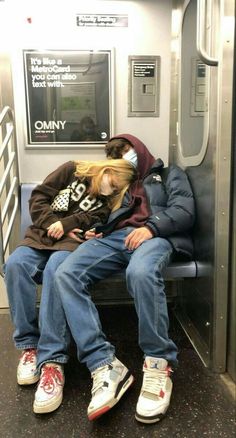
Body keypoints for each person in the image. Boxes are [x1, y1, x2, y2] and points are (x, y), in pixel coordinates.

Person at [53, 134, 195, 424]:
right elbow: (107, 215)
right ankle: (103, 364)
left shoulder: (169, 174)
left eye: (127, 152)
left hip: (154, 237)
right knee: (66, 272)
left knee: (140, 272)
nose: (123, 159)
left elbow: (184, 211)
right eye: (117, 156)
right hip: (115, 239)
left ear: (140, 150)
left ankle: (158, 363)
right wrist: (96, 230)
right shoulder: (121, 183)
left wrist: (152, 228)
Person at [4, 158, 136, 408]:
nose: (113, 190)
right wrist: (52, 223)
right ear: (108, 170)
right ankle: (29, 346)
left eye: (118, 190)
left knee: (57, 270)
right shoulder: (71, 170)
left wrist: (71, 227)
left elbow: (96, 219)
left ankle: (52, 359)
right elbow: (38, 198)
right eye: (114, 184)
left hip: (69, 244)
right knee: (15, 265)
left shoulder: (107, 202)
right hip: (39, 236)